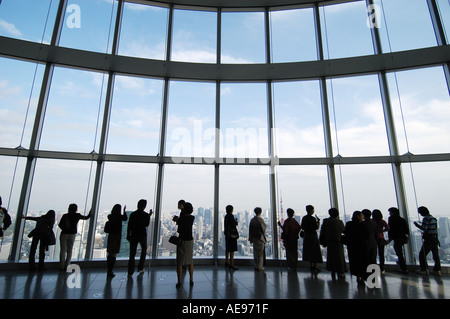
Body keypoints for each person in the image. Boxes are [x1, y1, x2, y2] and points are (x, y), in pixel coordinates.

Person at [58, 204, 92, 271]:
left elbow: (60, 225)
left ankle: (61, 266)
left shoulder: (65, 216)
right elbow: (86, 217)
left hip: (64, 234)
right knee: (69, 250)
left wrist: (65, 228)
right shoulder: (77, 215)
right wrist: (90, 213)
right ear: (76, 209)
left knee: (63, 250)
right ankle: (67, 265)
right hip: (72, 234)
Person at [127, 199, 152, 277]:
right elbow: (146, 224)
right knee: (143, 251)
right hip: (142, 235)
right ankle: (140, 267)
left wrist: (128, 235)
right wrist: (149, 216)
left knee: (132, 253)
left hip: (134, 235)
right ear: (144, 206)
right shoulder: (145, 215)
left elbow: (129, 225)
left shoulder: (133, 214)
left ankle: (130, 271)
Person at [319, 208, 346, 279]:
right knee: (339, 258)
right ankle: (340, 271)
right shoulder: (339, 222)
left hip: (329, 242)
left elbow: (322, 232)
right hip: (338, 242)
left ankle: (333, 270)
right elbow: (344, 231)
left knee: (331, 257)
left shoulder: (326, 222)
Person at [414, 206, 441, 276]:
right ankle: (437, 270)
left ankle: (424, 269)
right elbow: (434, 229)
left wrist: (417, 225)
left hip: (428, 239)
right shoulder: (433, 219)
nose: (420, 214)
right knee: (435, 255)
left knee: (422, 254)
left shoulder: (426, 219)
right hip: (434, 239)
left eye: (420, 213)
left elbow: (424, 228)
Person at [344, 211, 369, 286]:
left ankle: (358, 276)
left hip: (352, 246)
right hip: (361, 246)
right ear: (358, 216)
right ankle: (361, 277)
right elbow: (366, 236)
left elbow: (346, 233)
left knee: (354, 262)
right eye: (362, 215)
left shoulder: (349, 224)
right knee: (362, 262)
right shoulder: (362, 225)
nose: (363, 217)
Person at [175, 202, 195, 288]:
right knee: (190, 261)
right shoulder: (192, 217)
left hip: (182, 240)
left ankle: (179, 282)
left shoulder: (181, 218)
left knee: (180, 262)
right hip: (190, 240)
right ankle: (191, 280)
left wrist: (176, 220)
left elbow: (179, 230)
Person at [105, 204, 128, 278]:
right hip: (117, 235)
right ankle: (111, 270)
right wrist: (124, 211)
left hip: (111, 235)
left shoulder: (110, 216)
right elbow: (125, 218)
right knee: (114, 253)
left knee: (110, 252)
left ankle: (108, 269)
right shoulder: (120, 217)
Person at [301, 205, 323, 273]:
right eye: (313, 210)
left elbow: (302, 227)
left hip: (307, 236)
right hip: (313, 236)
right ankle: (315, 265)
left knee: (309, 250)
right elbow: (316, 228)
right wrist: (318, 222)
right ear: (311, 210)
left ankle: (311, 265)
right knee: (315, 251)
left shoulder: (304, 218)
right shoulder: (313, 219)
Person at [387, 207, 409, 274]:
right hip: (402, 238)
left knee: (399, 252)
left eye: (390, 212)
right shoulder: (402, 219)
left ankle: (403, 268)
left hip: (396, 238)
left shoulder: (391, 219)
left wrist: (390, 239)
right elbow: (406, 230)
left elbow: (391, 229)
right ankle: (403, 267)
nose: (389, 213)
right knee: (400, 253)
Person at [249, 207, 267, 272]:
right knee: (260, 253)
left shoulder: (252, 220)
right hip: (260, 238)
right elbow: (264, 228)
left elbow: (250, 229)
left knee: (255, 252)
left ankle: (256, 265)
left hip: (254, 238)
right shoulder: (260, 220)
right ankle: (260, 267)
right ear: (260, 212)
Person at [372, 209, 389, 273]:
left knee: (374, 254)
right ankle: (382, 268)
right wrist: (381, 231)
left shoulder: (372, 221)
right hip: (380, 238)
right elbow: (387, 228)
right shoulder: (382, 221)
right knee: (381, 254)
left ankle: (374, 268)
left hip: (373, 238)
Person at [224, 205, 239, 270]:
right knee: (232, 249)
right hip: (232, 235)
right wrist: (236, 222)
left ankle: (227, 261)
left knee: (228, 248)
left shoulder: (226, 216)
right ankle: (232, 264)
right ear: (231, 210)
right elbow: (234, 224)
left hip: (227, 234)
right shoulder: (231, 216)